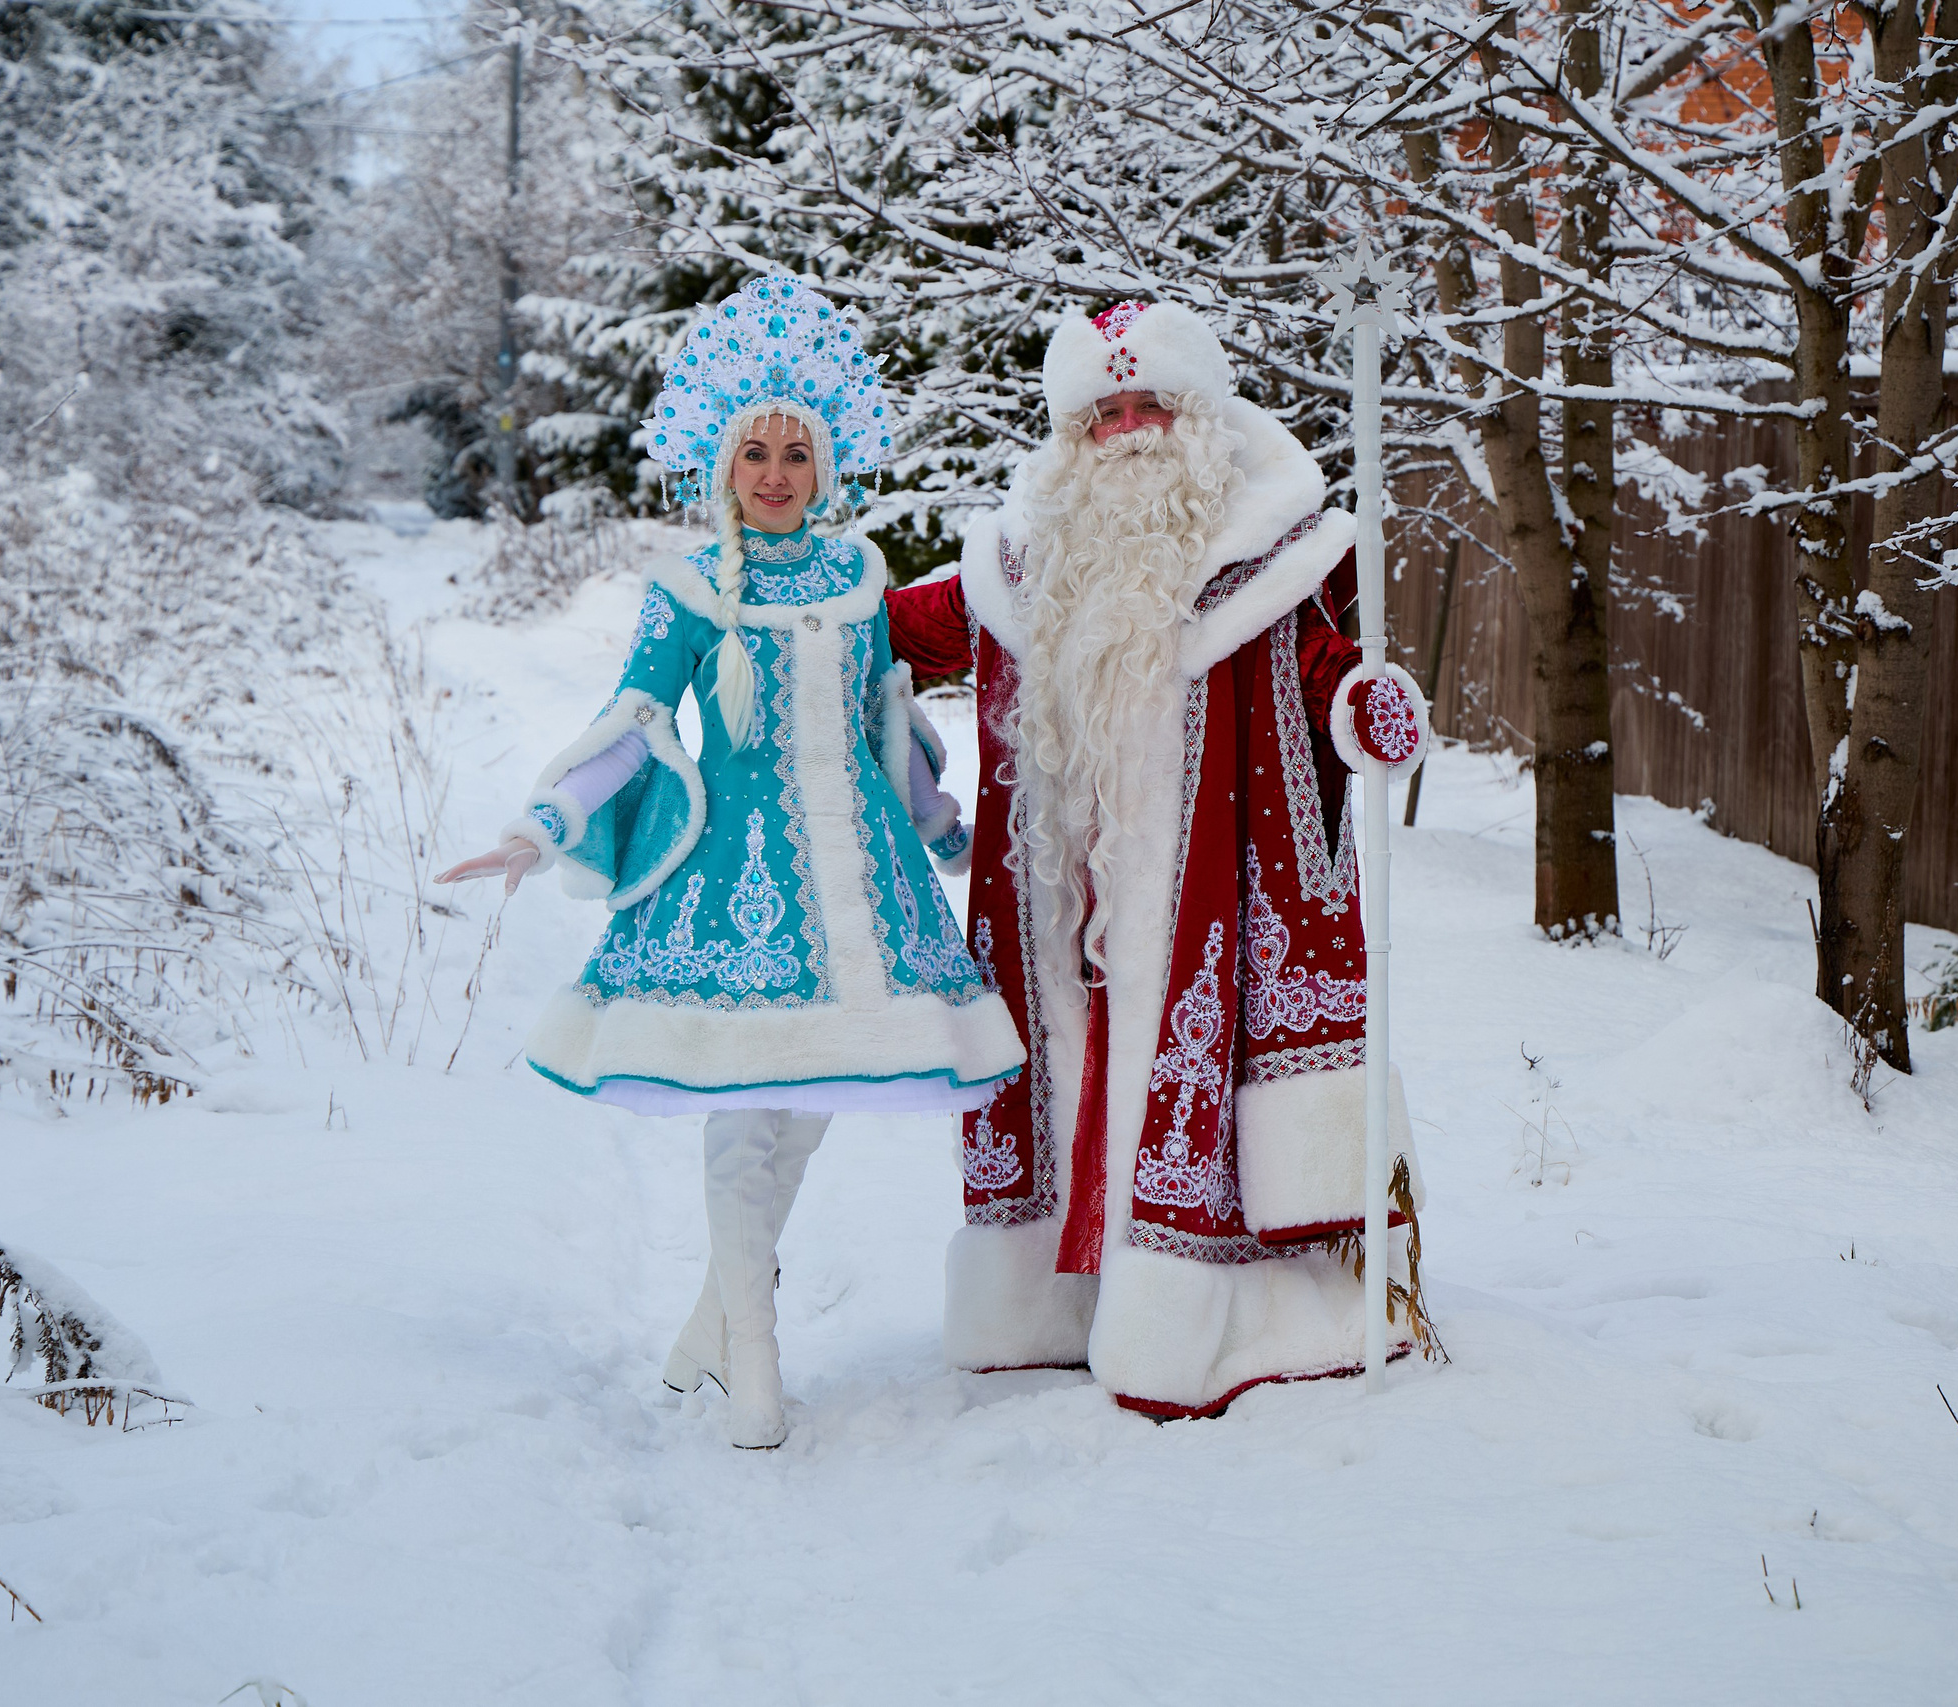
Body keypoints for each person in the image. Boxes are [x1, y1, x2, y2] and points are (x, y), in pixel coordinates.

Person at [437, 277, 1023, 1449]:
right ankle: (755, 1367)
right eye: (753, 453)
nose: (773, 475)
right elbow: (634, 718)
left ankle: (715, 1317)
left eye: (793, 453)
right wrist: (544, 823)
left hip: (862, 890)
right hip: (735, 891)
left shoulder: (860, 578)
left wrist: (942, 827)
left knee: (805, 1109)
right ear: (722, 465)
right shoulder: (691, 585)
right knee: (742, 1111)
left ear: (824, 464)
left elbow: (884, 723)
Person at [883, 300, 1435, 1419]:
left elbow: (1328, 670)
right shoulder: (1018, 564)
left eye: (1150, 407)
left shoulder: (1274, 561)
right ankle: (1055, 1302)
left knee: (1167, 1088)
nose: (1127, 430)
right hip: (1054, 907)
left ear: (1198, 418)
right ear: (1070, 436)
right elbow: (891, 630)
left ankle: (1195, 1310)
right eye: (1103, 413)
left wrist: (1366, 707)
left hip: (1200, 904)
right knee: (1069, 1084)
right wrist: (774, 594)